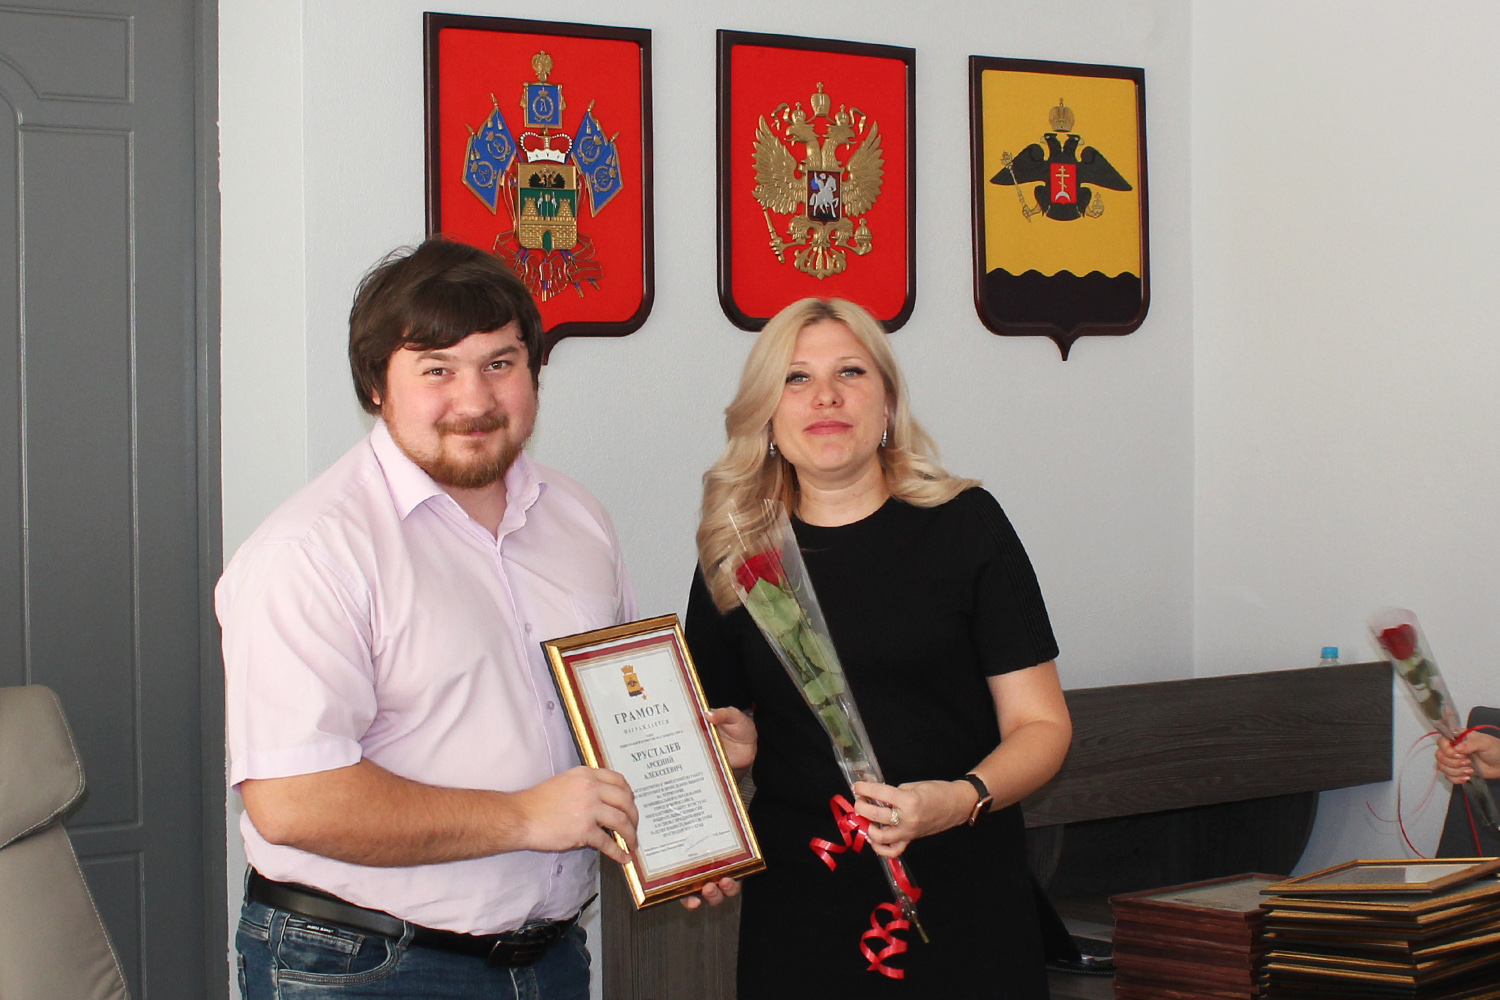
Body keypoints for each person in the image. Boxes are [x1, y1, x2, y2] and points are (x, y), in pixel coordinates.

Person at [218, 239, 638, 1000]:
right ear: (376, 385)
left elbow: (610, 710)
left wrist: (692, 797)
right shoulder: (309, 552)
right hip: (363, 966)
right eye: (437, 370)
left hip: (550, 961)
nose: (475, 400)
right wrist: (522, 818)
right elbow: (291, 801)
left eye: (500, 363)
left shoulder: (580, 520)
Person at [683, 297, 1072, 997]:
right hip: (801, 916)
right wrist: (727, 755)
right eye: (796, 378)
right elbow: (716, 735)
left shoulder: (965, 526)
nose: (825, 396)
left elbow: (1042, 727)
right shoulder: (738, 556)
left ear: (887, 404)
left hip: (964, 899)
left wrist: (961, 799)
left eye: (850, 372)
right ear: (766, 416)